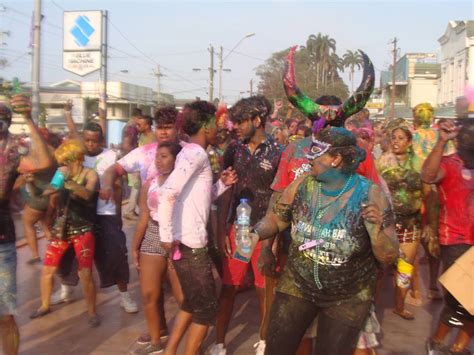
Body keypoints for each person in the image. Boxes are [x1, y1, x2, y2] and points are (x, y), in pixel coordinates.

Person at [253, 127, 398, 355]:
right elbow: (276, 219)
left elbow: (389, 255)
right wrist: (255, 233)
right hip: (297, 285)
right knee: (276, 348)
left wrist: (376, 232)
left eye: (315, 152)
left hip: (347, 296)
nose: (308, 158)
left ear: (336, 159)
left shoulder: (370, 194)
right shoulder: (303, 185)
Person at [156, 100, 237, 355]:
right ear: (205, 126)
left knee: (192, 304)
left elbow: (196, 197)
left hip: (186, 241)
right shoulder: (196, 153)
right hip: (191, 244)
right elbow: (168, 192)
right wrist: (166, 236)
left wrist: (221, 185)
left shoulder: (192, 152)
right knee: (206, 310)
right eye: (216, 125)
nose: (219, 130)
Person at [210, 96, 283, 355]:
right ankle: (219, 343)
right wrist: (222, 231)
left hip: (265, 232)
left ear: (257, 120)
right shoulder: (234, 149)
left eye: (241, 121)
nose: (236, 127)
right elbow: (226, 192)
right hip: (239, 230)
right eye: (235, 122)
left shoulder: (278, 152)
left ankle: (264, 342)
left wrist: (273, 239)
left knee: (265, 290)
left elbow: (280, 197)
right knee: (229, 287)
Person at [0, 96, 53, 355]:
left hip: (2, 242)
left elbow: (44, 162)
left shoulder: (10, 154)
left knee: (6, 315)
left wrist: (29, 119)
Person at [29, 139, 101, 327]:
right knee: (47, 269)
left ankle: (92, 312)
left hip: (83, 229)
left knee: (85, 273)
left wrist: (68, 182)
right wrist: (32, 186)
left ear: (74, 159)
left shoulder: (90, 174)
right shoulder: (61, 173)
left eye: (64, 161)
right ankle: (44, 305)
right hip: (62, 229)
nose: (62, 165)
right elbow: (48, 191)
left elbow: (87, 194)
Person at [422, 118, 474, 354]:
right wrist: (441, 142)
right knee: (458, 298)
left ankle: (458, 347)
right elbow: (428, 176)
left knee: (471, 301)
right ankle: (437, 342)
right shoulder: (451, 164)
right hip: (455, 241)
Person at [131, 142, 184, 354]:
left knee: (184, 299)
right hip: (153, 235)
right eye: (157, 157)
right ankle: (156, 341)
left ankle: (192, 342)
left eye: (164, 156)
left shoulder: (184, 183)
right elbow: (144, 216)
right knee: (149, 294)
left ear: (176, 159)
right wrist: (135, 246)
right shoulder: (150, 184)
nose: (158, 161)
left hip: (177, 239)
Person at [376, 122, 432, 320]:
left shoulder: (419, 163)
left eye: (401, 138)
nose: (396, 142)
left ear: (409, 142)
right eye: (394, 138)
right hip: (387, 223)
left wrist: (428, 224)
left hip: (411, 223)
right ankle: (372, 307)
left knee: (405, 266)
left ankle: (399, 305)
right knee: (381, 266)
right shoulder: (382, 162)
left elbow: (427, 193)